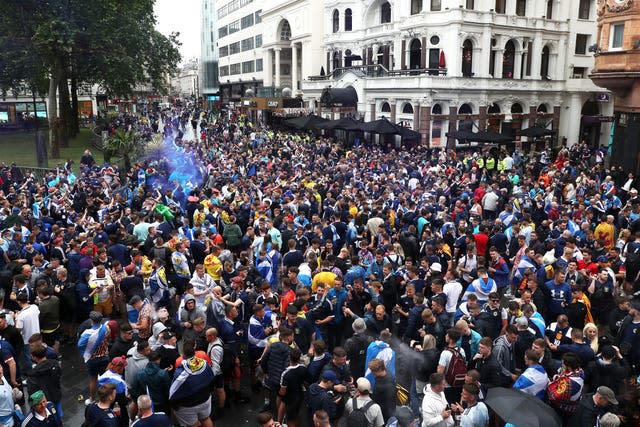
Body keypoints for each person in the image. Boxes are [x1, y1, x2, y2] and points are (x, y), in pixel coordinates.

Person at [168, 340, 215, 427]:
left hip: (188, 405)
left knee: (192, 425)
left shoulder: (181, 373)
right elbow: (211, 379)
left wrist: (174, 405)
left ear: (183, 354)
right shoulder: (204, 364)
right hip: (205, 399)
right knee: (206, 419)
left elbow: (173, 392)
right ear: (194, 352)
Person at [77, 311, 110, 405]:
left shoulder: (87, 334)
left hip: (92, 360)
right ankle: (106, 397)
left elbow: (80, 345)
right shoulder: (106, 328)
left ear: (92, 320)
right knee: (105, 378)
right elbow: (108, 339)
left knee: (93, 379)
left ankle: (92, 399)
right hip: (105, 357)